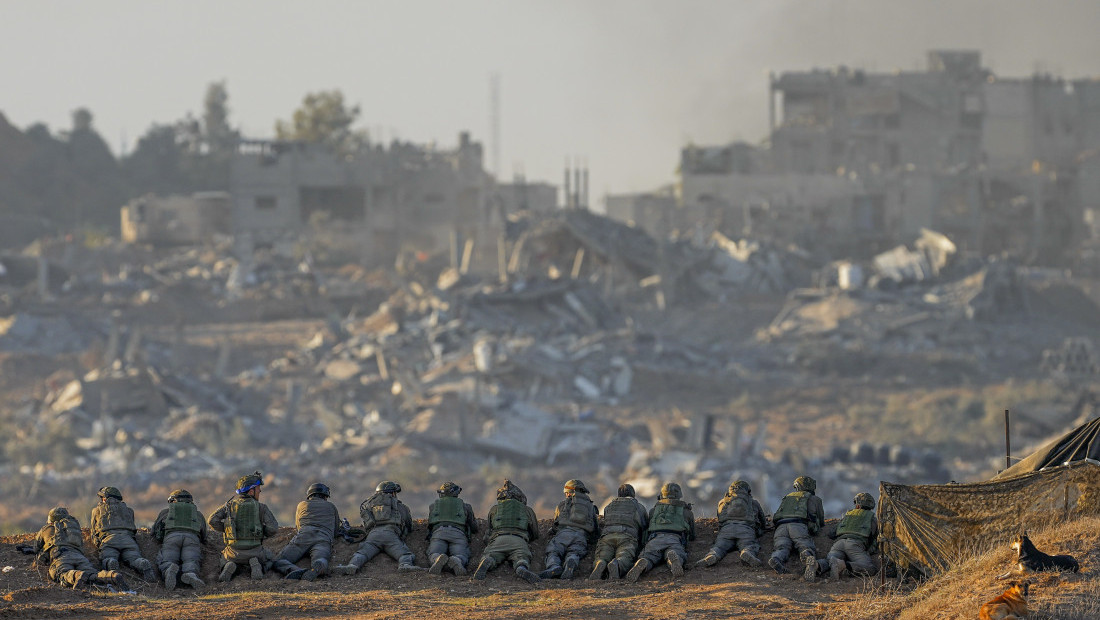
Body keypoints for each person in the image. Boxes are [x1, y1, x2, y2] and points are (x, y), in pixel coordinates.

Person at [332, 481, 421, 574]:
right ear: (393, 493)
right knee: (404, 555)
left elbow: (367, 525)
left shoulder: (369, 505)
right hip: (391, 535)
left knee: (361, 553)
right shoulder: (401, 507)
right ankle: (405, 565)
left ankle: (352, 565)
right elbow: (409, 525)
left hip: (373, 536)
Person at [207, 471, 279, 582]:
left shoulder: (229, 506)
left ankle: (230, 566)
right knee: (271, 558)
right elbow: (273, 528)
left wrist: (228, 529)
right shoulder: (261, 507)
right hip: (256, 551)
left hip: (233, 553)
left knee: (224, 558)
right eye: (258, 489)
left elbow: (212, 520)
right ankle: (257, 565)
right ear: (251, 491)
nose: (260, 491)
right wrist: (262, 532)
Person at [34, 507, 128, 590]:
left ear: (51, 519)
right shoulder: (74, 527)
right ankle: (112, 576)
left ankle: (77, 575)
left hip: (61, 558)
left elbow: (36, 548)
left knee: (61, 573)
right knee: (92, 574)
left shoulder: (45, 529)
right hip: (79, 556)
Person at [472, 479, 541, 584]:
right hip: (518, 540)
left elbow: (489, 530)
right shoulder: (527, 510)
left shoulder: (494, 509)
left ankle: (488, 561)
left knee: (491, 555)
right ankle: (521, 567)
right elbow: (535, 532)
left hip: (498, 539)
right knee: (522, 556)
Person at [625, 482, 695, 582]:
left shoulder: (654, 510)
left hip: (655, 538)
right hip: (674, 538)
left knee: (649, 556)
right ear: (679, 495)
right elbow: (692, 534)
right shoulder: (686, 511)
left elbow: (646, 530)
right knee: (677, 554)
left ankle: (644, 562)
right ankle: (673, 561)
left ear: (662, 495)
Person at [272, 482, 341, 581]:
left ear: (310, 495)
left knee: (279, 560)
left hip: (304, 537)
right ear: (325, 496)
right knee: (321, 559)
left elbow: (298, 527)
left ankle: (295, 570)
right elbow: (336, 531)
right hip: (323, 539)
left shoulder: (302, 505)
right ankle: (318, 567)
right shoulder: (331, 506)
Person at [694, 480, 766, 569]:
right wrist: (760, 530)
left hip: (726, 531)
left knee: (719, 547)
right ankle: (747, 553)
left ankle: (713, 555)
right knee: (749, 545)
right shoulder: (753, 502)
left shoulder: (722, 502)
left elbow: (720, 519)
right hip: (746, 530)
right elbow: (763, 522)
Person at [90, 486, 157, 581]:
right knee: (134, 558)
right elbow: (133, 530)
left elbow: (94, 533)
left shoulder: (96, 510)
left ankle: (111, 562)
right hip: (128, 540)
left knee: (108, 557)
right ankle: (141, 563)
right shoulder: (129, 510)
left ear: (104, 498)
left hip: (109, 540)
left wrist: (98, 544)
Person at [768, 475, 826, 582]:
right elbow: (821, 519)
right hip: (798, 525)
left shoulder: (787, 497)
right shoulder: (814, 499)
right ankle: (806, 555)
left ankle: (776, 558)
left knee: (781, 547)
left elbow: (777, 515)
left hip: (781, 526)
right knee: (804, 544)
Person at [540, 479, 599, 580]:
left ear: (568, 493)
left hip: (564, 534)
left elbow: (556, 524)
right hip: (581, 536)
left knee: (553, 551)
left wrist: (553, 532)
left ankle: (554, 566)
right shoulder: (591, 506)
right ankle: (571, 561)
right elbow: (595, 528)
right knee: (574, 552)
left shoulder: (562, 505)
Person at [588, 483, 648, 580]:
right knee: (624, 556)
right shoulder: (638, 507)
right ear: (633, 494)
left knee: (603, 554)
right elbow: (644, 525)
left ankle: (600, 563)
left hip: (607, 536)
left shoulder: (609, 506)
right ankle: (617, 564)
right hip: (627, 536)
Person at [151, 489, 207, 590]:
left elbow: (154, 531)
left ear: (173, 500)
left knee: (167, 559)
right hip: (192, 538)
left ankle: (169, 569)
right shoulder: (197, 514)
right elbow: (204, 535)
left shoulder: (165, 512)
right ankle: (191, 574)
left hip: (172, 538)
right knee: (191, 560)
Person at [818, 492, 879, 579]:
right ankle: (843, 565)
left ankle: (817, 565)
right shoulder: (872, 519)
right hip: (855, 545)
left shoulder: (847, 515)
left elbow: (832, 533)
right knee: (870, 568)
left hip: (838, 544)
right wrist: (869, 551)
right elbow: (875, 539)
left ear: (857, 505)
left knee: (830, 561)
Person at [426, 481, 479, 576]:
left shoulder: (433, 506)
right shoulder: (465, 506)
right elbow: (474, 527)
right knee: (462, 555)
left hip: (439, 533)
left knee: (433, 553)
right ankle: (456, 559)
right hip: (458, 534)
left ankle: (437, 559)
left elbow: (430, 524)